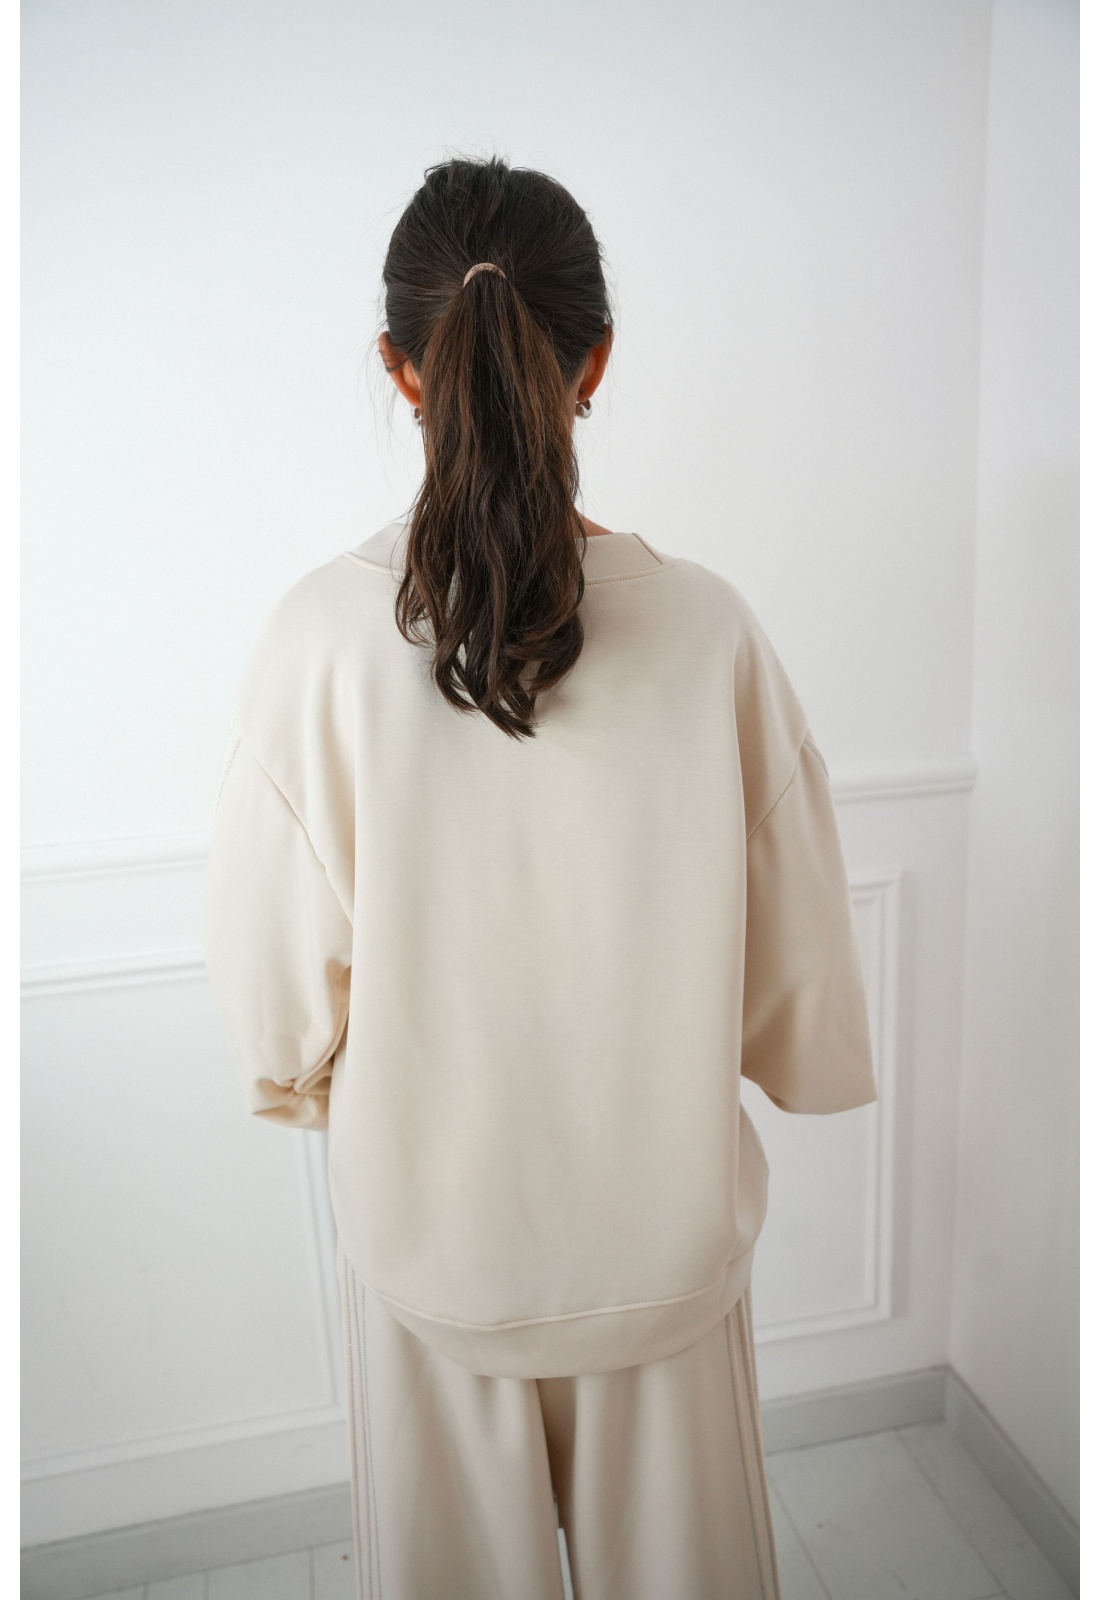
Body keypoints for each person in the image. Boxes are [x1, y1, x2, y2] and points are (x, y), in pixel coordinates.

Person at [203, 154, 877, 1600]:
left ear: (401, 368)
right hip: (664, 1242)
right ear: (596, 361)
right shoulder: (709, 630)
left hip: (435, 1253)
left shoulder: (316, 639)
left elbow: (278, 1007)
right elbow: (796, 973)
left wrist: (303, 1075)